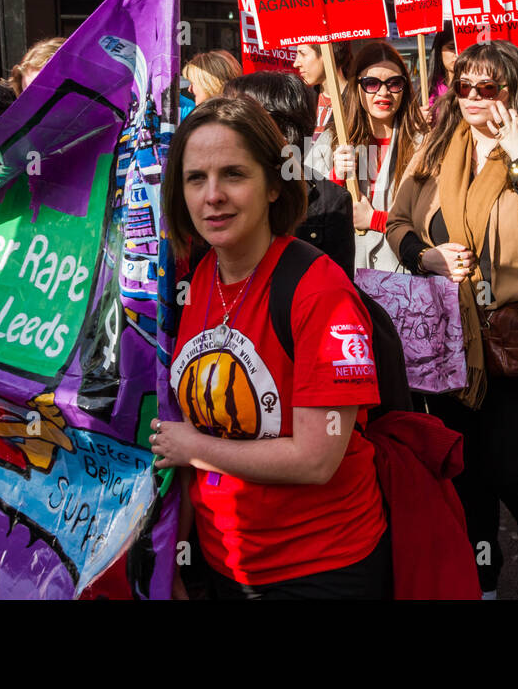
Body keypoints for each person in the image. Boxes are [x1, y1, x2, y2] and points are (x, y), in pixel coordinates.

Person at [155, 95, 388, 599]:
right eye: (196, 178)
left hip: (321, 570)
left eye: (234, 174)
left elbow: (315, 459)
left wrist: (192, 449)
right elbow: (192, 426)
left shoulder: (319, 291)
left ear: (274, 187)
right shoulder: (195, 281)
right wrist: (173, 557)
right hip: (224, 565)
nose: (212, 195)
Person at [387, 40, 518, 598]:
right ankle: (483, 577)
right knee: (466, 466)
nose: (470, 96)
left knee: (511, 465)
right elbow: (399, 223)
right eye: (463, 85)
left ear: (512, 90)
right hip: (450, 334)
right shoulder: (435, 149)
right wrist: (421, 256)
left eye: (486, 87)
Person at [223, 71, 356, 279]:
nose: (224, 125)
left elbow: (337, 294)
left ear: (280, 128)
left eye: (238, 117)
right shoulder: (216, 192)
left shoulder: (332, 202)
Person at [308, 42, 428, 271]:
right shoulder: (332, 139)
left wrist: (375, 220)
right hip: (344, 271)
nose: (383, 92)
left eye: (394, 83)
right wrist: (335, 177)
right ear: (356, 86)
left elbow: (429, 221)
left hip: (402, 277)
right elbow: (309, 212)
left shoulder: (423, 144)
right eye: (371, 83)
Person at [293, 43, 348, 135]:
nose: (296, 64)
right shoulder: (302, 99)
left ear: (327, 54)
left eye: (303, 54)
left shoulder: (359, 101)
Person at [426, 24, 457, 113]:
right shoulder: (424, 86)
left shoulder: (474, 88)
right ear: (439, 51)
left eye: (463, 47)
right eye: (452, 48)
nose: (458, 53)